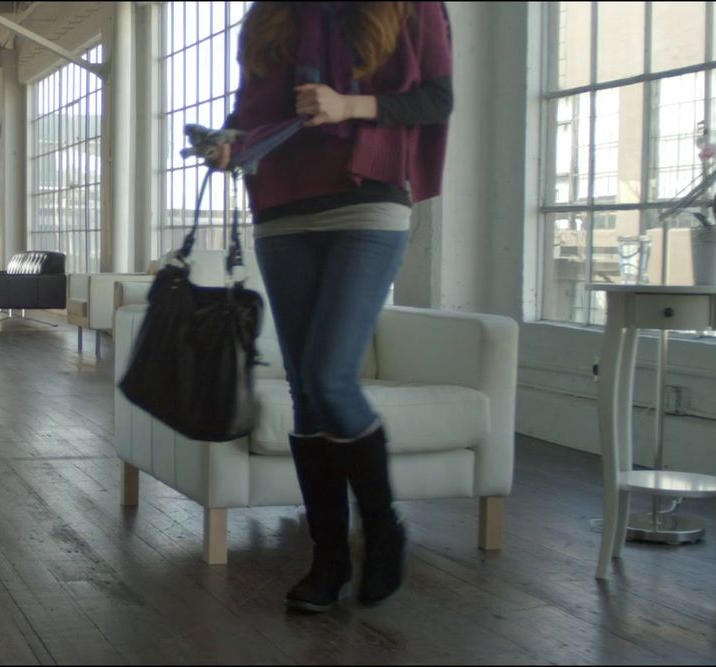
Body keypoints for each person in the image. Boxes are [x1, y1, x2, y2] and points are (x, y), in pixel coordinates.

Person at [211, 2, 453, 612]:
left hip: (367, 199)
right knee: (304, 388)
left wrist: (350, 105)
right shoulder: (269, 13)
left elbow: (436, 99)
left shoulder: (410, 6)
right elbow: (250, 110)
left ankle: (383, 529)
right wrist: (228, 143)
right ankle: (328, 557)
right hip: (282, 207)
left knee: (328, 375)